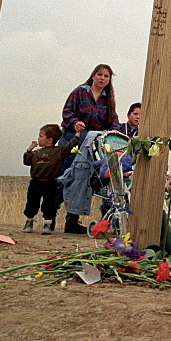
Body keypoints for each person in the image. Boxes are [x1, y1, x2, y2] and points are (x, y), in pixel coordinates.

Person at [60, 64, 118, 233]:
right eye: (99, 74)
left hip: (94, 143)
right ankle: (50, 218)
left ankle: (72, 221)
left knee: (85, 178)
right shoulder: (80, 92)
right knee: (69, 177)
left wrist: (112, 131)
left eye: (106, 76)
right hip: (75, 140)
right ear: (93, 76)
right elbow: (67, 111)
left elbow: (113, 118)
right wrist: (74, 122)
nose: (102, 78)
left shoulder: (108, 99)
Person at [23, 124, 79, 234]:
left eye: (41, 136)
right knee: (31, 204)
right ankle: (29, 221)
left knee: (49, 205)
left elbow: (71, 145)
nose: (38, 138)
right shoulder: (37, 152)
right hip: (35, 183)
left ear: (49, 139)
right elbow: (27, 162)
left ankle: (48, 224)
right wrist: (29, 150)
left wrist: (77, 134)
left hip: (50, 183)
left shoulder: (59, 151)